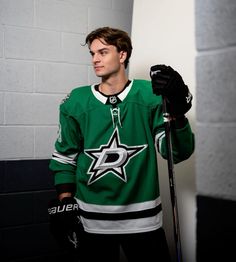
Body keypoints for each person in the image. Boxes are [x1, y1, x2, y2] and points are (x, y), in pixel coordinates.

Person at [48, 26, 195, 262]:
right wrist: (65, 199)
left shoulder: (150, 95)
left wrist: (177, 112)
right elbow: (65, 155)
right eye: (92, 53)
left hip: (143, 219)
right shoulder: (75, 101)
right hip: (91, 220)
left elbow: (176, 152)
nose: (95, 59)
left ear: (122, 54)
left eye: (103, 52)